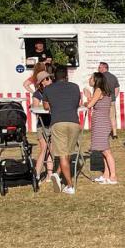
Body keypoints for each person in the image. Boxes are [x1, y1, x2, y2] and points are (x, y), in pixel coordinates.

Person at [40, 65, 83, 195]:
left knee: (63, 155)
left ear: (54, 76)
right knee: (68, 153)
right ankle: (58, 174)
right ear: (66, 76)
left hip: (58, 122)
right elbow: (78, 103)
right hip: (74, 122)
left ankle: (70, 185)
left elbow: (46, 106)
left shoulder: (48, 89)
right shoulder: (75, 87)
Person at [86, 72, 118, 185]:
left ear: (96, 80)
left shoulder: (98, 90)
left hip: (101, 123)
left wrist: (87, 96)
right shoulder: (103, 91)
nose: (89, 79)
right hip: (102, 122)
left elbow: (89, 105)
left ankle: (113, 176)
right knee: (103, 150)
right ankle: (106, 174)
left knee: (106, 151)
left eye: (91, 78)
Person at [30, 71, 55, 183]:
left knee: (51, 149)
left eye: (50, 78)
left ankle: (50, 174)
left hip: (53, 123)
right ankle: (37, 175)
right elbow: (35, 108)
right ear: (41, 82)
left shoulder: (55, 91)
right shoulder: (37, 94)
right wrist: (44, 106)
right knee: (44, 149)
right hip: (42, 124)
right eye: (47, 79)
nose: (50, 80)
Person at [97, 61, 120, 138]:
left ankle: (104, 133)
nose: (98, 68)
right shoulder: (113, 77)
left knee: (103, 117)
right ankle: (115, 134)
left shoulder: (100, 77)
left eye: (99, 67)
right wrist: (114, 97)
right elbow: (117, 88)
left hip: (103, 100)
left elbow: (98, 90)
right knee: (112, 117)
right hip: (112, 100)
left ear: (104, 68)